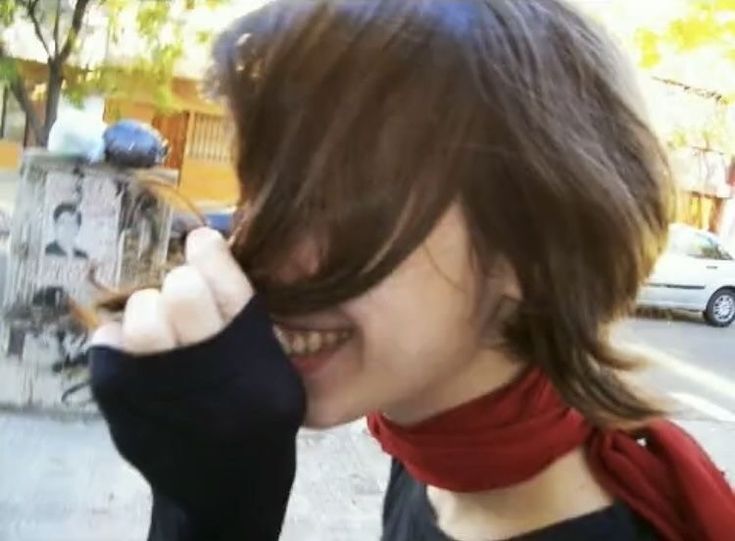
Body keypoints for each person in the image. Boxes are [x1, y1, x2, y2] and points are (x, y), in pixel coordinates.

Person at [88, 1, 735, 540]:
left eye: (332, 196)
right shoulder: (434, 456)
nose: (251, 248)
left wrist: (208, 518)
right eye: (262, 186)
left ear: (530, 249)